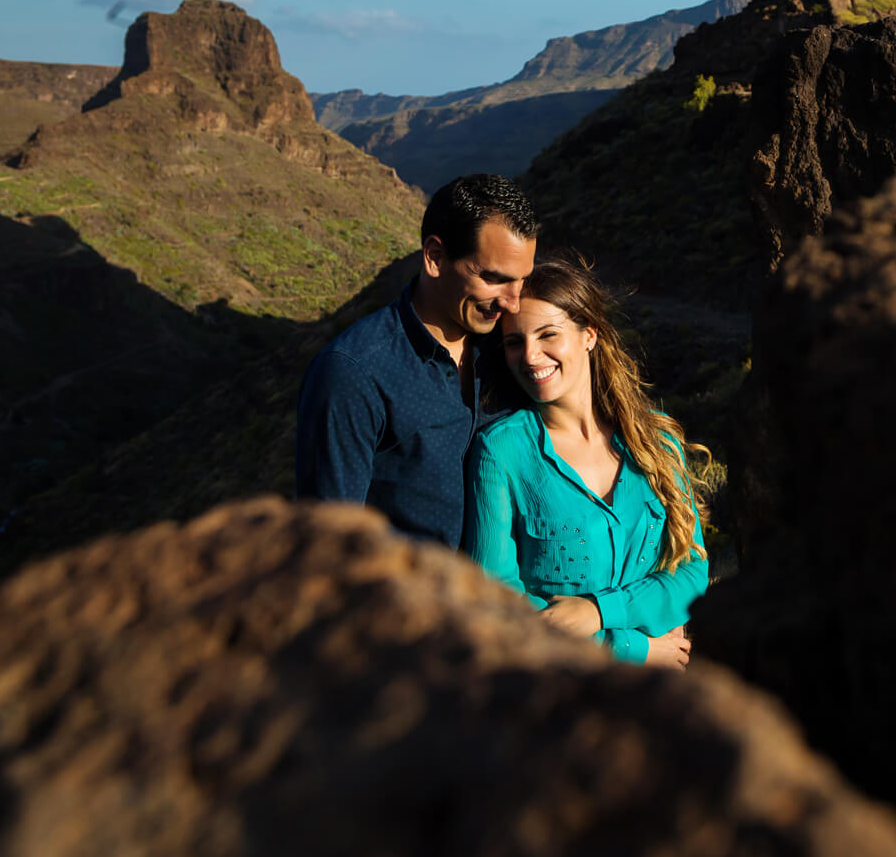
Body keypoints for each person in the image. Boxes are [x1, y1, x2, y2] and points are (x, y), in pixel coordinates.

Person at [463, 258, 709, 670]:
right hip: (561, 700)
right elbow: (497, 602)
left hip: (663, 702)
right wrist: (635, 650)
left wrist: (597, 611)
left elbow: (691, 574)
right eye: (513, 342)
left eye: (548, 334)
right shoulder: (500, 453)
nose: (530, 355)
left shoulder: (658, 444)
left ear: (589, 334)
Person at [294, 174, 538, 547]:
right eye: (493, 278)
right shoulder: (353, 372)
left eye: (521, 281)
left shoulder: (515, 349)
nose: (512, 302)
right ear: (435, 258)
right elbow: (330, 543)